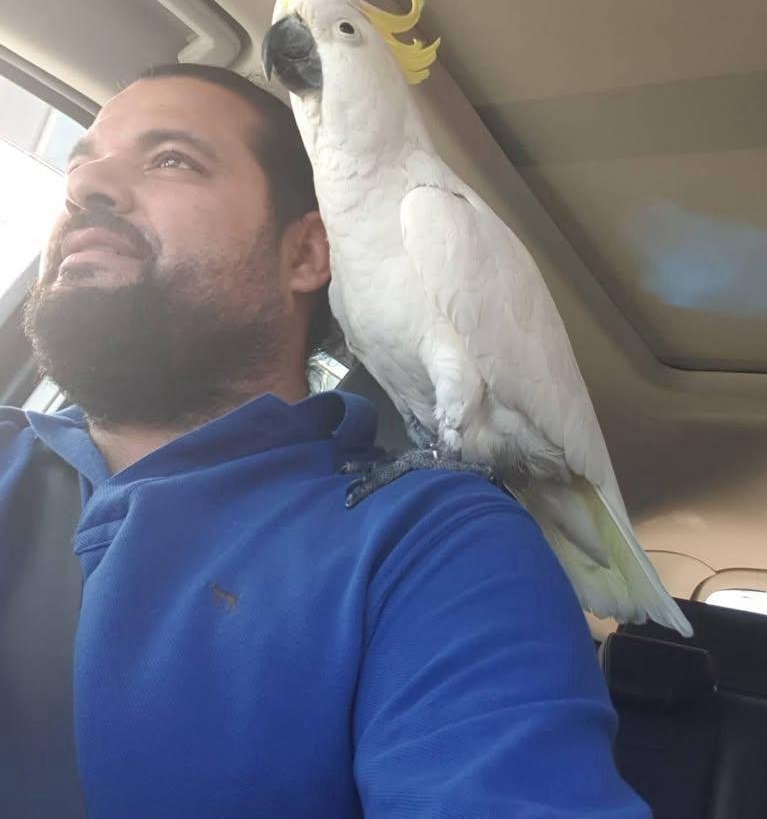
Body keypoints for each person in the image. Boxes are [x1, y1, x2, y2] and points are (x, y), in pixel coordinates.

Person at [0, 64, 650, 818]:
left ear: (307, 254)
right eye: (80, 165)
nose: (86, 189)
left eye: (170, 159)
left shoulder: (430, 541)